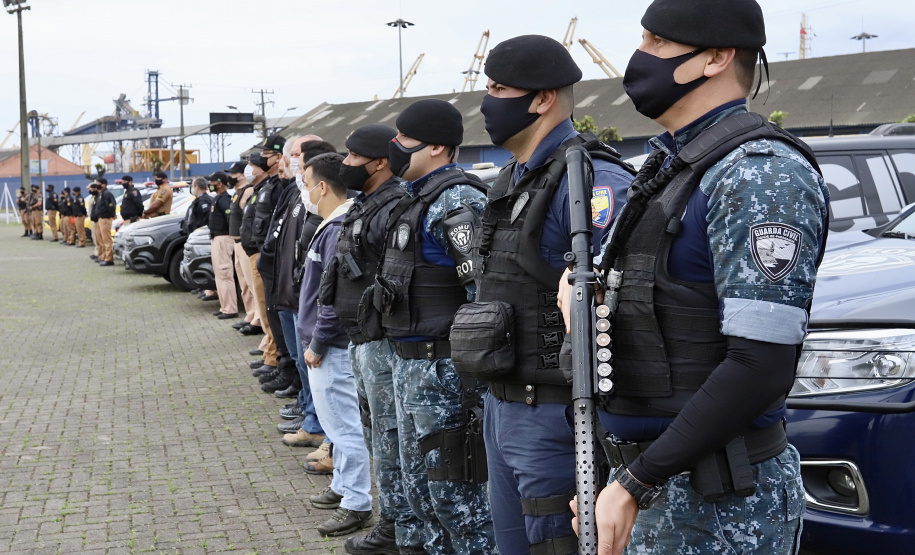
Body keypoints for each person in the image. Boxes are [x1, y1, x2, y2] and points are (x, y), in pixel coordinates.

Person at [561, 2, 828, 553]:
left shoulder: (759, 172)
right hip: (649, 484)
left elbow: (761, 365)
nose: (639, 57)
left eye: (656, 42)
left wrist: (635, 483)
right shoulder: (675, 166)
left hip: (721, 503)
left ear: (716, 58)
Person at [467, 35, 634, 555]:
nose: (487, 102)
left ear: (541, 98)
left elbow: (624, 311)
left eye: (498, 88)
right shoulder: (511, 180)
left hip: (558, 418)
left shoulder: (591, 184)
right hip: (503, 408)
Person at [374, 99, 495, 554]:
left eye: (404, 139)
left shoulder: (459, 200)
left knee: (459, 504)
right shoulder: (415, 198)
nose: (395, 147)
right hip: (411, 370)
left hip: (446, 374)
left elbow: (482, 299)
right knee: (421, 497)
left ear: (438, 146)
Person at [323, 124, 423, 555]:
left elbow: (393, 280)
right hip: (362, 340)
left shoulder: (395, 204)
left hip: (384, 343)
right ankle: (394, 523)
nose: (344, 164)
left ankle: (400, 528)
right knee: (378, 439)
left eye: (352, 157)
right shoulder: (367, 203)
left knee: (392, 439)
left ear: (379, 162)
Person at [295, 153, 375, 537]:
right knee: (336, 424)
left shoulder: (338, 228)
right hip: (327, 345)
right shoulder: (334, 225)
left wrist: (318, 341)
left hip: (332, 347)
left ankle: (357, 503)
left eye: (307, 182)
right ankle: (343, 486)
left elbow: (334, 295)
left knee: (345, 428)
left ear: (322, 186)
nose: (305, 190)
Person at [227, 159, 265, 335]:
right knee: (244, 284)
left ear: (242, 175)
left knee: (252, 283)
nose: (230, 177)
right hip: (236, 243)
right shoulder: (238, 192)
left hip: (245, 244)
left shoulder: (249, 191)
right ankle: (251, 314)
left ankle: (258, 319)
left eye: (233, 174)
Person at [207, 172, 237, 320]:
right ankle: (224, 306)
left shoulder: (224, 199)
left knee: (225, 273)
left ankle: (230, 309)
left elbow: (230, 216)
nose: (210, 184)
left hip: (223, 238)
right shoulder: (218, 198)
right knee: (220, 274)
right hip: (217, 238)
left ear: (219, 183)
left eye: (212, 182)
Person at [95, 178, 117, 266]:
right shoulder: (102, 193)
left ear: (104, 184)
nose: (97, 185)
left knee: (107, 240)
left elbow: (111, 206)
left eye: (98, 183)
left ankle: (109, 259)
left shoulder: (107, 194)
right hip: (101, 218)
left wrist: (112, 215)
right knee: (102, 239)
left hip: (105, 219)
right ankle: (104, 256)